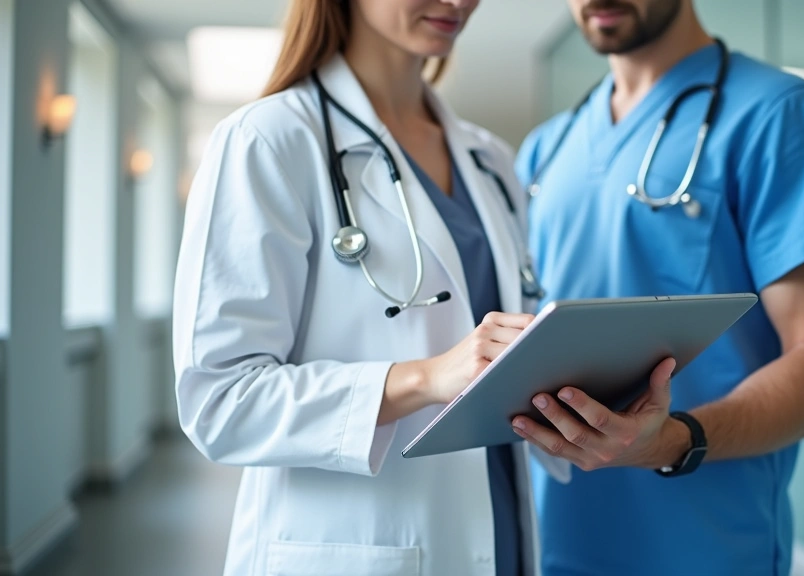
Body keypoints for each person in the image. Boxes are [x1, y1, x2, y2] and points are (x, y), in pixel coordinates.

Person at [173, 0, 560, 574]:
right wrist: (425, 378)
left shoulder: (491, 160)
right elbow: (221, 402)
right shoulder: (268, 139)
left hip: (495, 525)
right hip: (357, 544)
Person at [510, 0, 804, 574]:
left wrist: (672, 440)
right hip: (552, 541)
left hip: (704, 547)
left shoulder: (779, 115)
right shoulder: (545, 150)